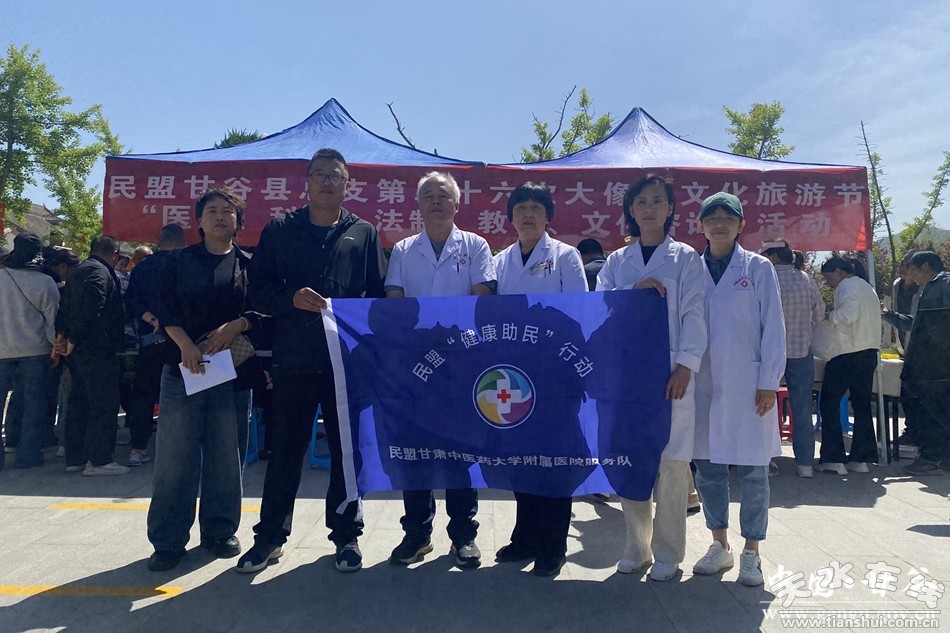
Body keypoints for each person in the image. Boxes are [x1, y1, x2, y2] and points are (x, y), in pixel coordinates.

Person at [238, 148, 387, 574]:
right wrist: (290, 298)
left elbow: (378, 297)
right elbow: (258, 289)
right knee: (285, 451)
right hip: (295, 359)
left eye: (334, 176)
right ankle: (269, 537)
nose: (326, 182)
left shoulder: (364, 233)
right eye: (319, 174)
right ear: (306, 182)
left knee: (346, 454)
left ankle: (346, 537)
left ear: (347, 185)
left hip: (346, 364)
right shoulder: (281, 229)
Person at [596, 175, 706, 582]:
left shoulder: (685, 258)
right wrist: (633, 290)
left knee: (673, 465)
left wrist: (686, 365)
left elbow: (695, 314)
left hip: (670, 374)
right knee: (631, 460)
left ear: (670, 209)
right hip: (627, 375)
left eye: (657, 201)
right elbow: (601, 307)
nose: (648, 208)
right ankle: (636, 547)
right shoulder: (616, 262)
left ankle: (668, 552)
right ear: (631, 209)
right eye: (641, 201)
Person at [385, 171, 496, 568]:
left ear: (456, 203)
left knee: (460, 452)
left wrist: (444, 332)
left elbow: (481, 296)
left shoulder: (476, 245)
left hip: (461, 365)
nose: (436, 201)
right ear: (418, 204)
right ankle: (416, 534)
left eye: (443, 195)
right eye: (428, 195)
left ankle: (463, 535)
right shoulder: (403, 249)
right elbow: (395, 299)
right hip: (414, 366)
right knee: (414, 452)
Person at [146, 188, 260, 571]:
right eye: (212, 210)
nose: (220, 216)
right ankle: (167, 540)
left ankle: (219, 530)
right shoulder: (179, 261)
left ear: (238, 221)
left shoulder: (248, 263)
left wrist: (236, 325)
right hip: (184, 370)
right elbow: (167, 309)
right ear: (199, 220)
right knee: (174, 458)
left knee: (226, 456)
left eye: (228, 211)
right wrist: (185, 347)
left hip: (230, 371)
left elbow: (262, 312)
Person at [490, 182, 588, 577]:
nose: (528, 214)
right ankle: (526, 537)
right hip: (514, 377)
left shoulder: (565, 256)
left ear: (548, 216)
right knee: (521, 458)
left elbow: (579, 312)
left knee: (554, 460)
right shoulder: (500, 261)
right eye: (521, 208)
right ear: (511, 217)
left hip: (556, 375)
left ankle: (553, 544)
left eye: (535, 207)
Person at [690, 192, 786, 587]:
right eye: (711, 218)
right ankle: (719, 545)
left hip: (749, 384)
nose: (719, 224)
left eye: (727, 218)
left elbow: (773, 327)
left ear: (741, 225)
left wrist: (769, 382)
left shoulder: (758, 268)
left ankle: (752, 551)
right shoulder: (690, 269)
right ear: (700, 225)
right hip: (702, 383)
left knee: (753, 471)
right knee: (708, 470)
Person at [60, 235, 130, 476]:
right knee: (103, 403)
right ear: (114, 253)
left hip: (79, 349)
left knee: (79, 401)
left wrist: (65, 337)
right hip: (97, 348)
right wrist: (73, 339)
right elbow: (92, 308)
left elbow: (64, 307)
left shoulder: (78, 271)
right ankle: (99, 460)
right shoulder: (100, 273)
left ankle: (75, 457)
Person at [760, 239, 825, 478]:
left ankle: (764, 460)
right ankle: (805, 464)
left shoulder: (765, 277)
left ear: (774, 257)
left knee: (762, 405)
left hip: (767, 352)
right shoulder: (807, 279)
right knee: (802, 407)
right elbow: (819, 314)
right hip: (800, 351)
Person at [124, 224, 186, 466]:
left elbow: (132, 301)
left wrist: (153, 320)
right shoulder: (188, 265)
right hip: (184, 342)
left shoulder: (142, 268)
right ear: (182, 241)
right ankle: (180, 446)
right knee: (184, 393)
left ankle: (138, 448)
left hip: (150, 340)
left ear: (159, 241)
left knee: (145, 394)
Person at [815, 256, 881, 475]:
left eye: (828, 277)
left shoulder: (847, 285)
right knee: (862, 405)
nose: (828, 283)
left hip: (847, 353)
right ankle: (861, 458)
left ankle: (834, 458)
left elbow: (848, 314)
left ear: (839, 272)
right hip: (869, 352)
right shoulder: (867, 287)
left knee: (829, 402)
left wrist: (827, 316)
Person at [0, 233, 60, 469]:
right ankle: (28, 455)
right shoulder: (45, 282)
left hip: (1, 350)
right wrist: (55, 349)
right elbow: (53, 321)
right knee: (34, 405)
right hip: (36, 349)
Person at [895, 251, 950, 476]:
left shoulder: (944, 284)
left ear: (926, 266)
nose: (911, 275)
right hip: (930, 361)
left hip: (938, 363)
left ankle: (931, 456)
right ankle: (941, 456)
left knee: (933, 411)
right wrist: (890, 316)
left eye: (913, 269)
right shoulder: (929, 288)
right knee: (937, 410)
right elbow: (918, 324)